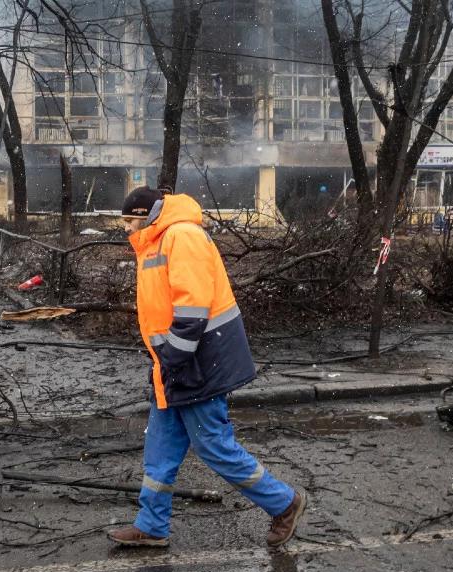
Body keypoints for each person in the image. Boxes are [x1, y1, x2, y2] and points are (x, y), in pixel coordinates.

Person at [107, 186, 307, 549]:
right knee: (160, 451)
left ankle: (284, 502)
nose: (125, 229)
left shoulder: (182, 236)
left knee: (214, 446)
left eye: (129, 220)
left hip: (195, 364)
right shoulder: (158, 240)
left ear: (146, 214)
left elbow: (192, 308)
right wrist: (167, 363)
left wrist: (174, 359)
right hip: (175, 365)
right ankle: (151, 525)